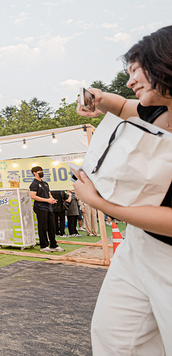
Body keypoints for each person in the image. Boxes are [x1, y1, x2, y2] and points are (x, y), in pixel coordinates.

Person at [74, 25, 172, 354]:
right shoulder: (159, 109)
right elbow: (123, 106)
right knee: (114, 338)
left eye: (135, 71)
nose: (129, 82)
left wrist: (100, 203)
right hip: (138, 245)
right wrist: (98, 99)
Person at [29, 166, 64, 252]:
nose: (41, 172)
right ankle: (43, 246)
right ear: (34, 173)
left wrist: (51, 199)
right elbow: (33, 196)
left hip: (48, 207)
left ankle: (53, 245)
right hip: (40, 207)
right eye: (39, 171)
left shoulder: (45, 183)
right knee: (43, 227)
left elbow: (49, 193)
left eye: (42, 171)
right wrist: (46, 200)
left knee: (52, 227)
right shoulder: (34, 184)